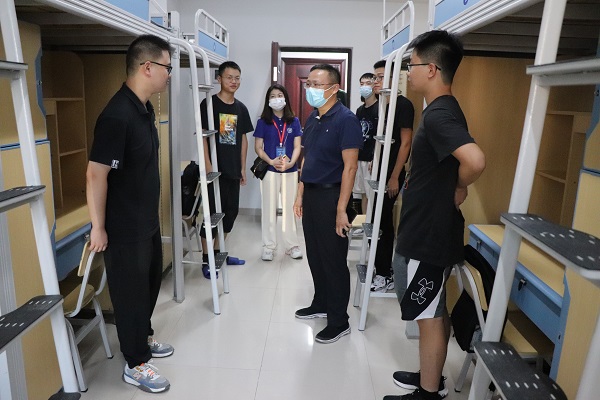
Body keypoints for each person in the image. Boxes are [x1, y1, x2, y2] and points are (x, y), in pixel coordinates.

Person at [384, 30, 485, 400]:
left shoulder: (440, 114)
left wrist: (458, 185)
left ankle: (428, 393)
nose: (408, 72)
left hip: (427, 235)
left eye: (411, 65)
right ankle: (431, 377)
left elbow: (475, 160)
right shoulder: (443, 108)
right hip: (429, 229)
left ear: (430, 69)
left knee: (427, 317)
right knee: (433, 310)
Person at [86, 34, 174, 393]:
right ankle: (135, 363)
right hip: (123, 226)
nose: (169, 74)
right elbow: (95, 174)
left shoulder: (145, 108)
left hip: (146, 221)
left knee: (150, 283)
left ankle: (141, 339)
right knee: (130, 293)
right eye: (167, 67)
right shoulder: (117, 115)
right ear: (147, 67)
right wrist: (98, 226)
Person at [293, 64, 363, 344]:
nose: (310, 89)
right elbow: (307, 158)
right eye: (308, 84)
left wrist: (341, 209)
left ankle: (338, 320)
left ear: (334, 88)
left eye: (317, 84)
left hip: (333, 196)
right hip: (312, 193)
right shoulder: (313, 118)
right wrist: (300, 193)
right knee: (315, 254)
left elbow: (350, 168)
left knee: (333, 259)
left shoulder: (346, 120)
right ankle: (320, 302)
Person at [199, 61, 254, 276]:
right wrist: (208, 165)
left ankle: (219, 253)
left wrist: (242, 167)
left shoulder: (241, 108)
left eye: (237, 78)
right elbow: (202, 136)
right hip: (215, 171)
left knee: (230, 212)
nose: (234, 81)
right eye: (229, 77)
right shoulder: (209, 105)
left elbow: (243, 139)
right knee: (212, 214)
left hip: (233, 169)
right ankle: (207, 260)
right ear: (219, 79)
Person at [370, 60, 414, 293]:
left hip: (392, 172)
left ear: (393, 78)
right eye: (375, 77)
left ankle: (385, 274)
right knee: (375, 220)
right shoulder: (381, 104)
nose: (375, 82)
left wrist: (395, 176)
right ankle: (379, 267)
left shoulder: (403, 105)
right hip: (380, 169)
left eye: (380, 77)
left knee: (384, 221)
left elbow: (405, 143)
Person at [253, 84, 303, 261]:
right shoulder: (263, 122)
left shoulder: (294, 121)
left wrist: (291, 163)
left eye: (279, 95)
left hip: (290, 170)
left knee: (290, 208)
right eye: (273, 96)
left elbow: (297, 146)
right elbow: (258, 147)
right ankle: (269, 246)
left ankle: (292, 245)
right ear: (268, 100)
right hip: (270, 170)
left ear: (285, 98)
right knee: (269, 208)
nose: (276, 99)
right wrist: (271, 161)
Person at [353, 72, 378, 214]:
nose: (364, 87)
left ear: (374, 86)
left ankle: (373, 222)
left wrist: (375, 158)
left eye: (368, 83)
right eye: (362, 84)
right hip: (360, 157)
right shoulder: (360, 110)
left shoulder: (380, 108)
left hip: (371, 159)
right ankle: (364, 221)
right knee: (362, 193)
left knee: (371, 194)